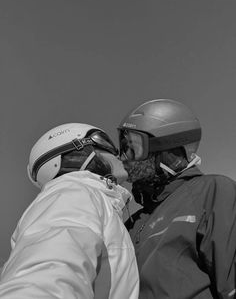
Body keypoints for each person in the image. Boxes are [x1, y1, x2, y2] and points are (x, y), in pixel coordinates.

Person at [0, 123, 139, 299]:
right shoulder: (73, 192)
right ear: (78, 152)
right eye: (104, 143)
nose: (117, 153)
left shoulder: (90, 198)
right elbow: (48, 273)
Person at [118, 99, 236, 299]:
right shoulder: (131, 223)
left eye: (133, 147)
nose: (123, 158)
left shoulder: (212, 191)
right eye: (122, 146)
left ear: (166, 151)